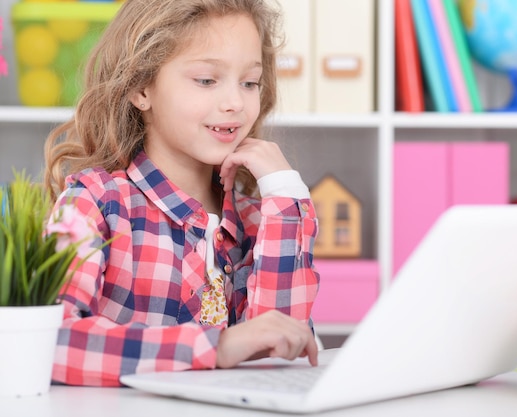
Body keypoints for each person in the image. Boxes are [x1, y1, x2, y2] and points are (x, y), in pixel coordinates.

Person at [43, 0, 320, 387]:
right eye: (207, 80)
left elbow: (282, 349)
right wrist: (216, 346)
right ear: (141, 87)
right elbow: (47, 344)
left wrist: (286, 195)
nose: (235, 103)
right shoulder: (94, 203)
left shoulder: (264, 218)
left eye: (250, 82)